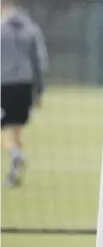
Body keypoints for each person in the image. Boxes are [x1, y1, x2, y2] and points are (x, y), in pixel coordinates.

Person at [1, 0, 48, 187]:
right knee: (17, 130)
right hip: (25, 85)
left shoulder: (1, 30)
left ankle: (15, 154)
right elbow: (39, 62)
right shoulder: (31, 29)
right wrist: (39, 91)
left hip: (4, 85)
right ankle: (14, 175)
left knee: (3, 130)